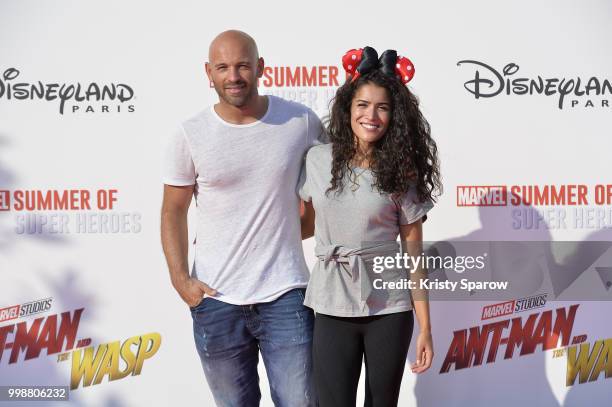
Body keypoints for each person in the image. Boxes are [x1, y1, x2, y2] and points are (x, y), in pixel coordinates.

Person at [161, 30, 322, 407]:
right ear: (209, 73)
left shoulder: (299, 121)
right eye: (223, 67)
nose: (233, 76)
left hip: (287, 295)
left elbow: (331, 177)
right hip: (216, 299)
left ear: (260, 68)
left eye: (243, 66)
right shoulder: (191, 134)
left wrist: (300, 227)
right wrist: (181, 280)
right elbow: (172, 210)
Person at [298, 46, 442, 407]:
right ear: (348, 107)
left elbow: (414, 256)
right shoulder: (317, 160)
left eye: (382, 107)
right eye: (362, 104)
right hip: (331, 300)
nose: (371, 115)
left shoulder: (402, 171)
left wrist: (426, 327)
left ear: (394, 115)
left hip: (389, 307)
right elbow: (302, 224)